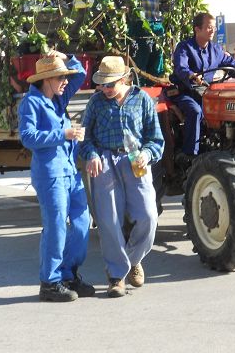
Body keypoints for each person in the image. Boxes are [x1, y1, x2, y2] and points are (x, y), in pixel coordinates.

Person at [80, 56, 164, 298]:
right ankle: (117, 277)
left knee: (148, 216)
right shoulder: (96, 102)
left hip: (135, 160)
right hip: (105, 162)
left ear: (124, 79)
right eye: (102, 84)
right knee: (109, 220)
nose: (105, 89)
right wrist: (92, 155)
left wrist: (147, 154)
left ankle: (131, 260)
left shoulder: (142, 100)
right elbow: (85, 139)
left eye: (110, 84)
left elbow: (155, 138)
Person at [18, 50, 94, 303]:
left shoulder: (59, 100)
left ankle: (69, 274)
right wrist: (64, 135)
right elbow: (27, 137)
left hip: (70, 172)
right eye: (61, 77)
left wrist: (65, 55)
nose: (65, 81)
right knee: (57, 226)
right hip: (50, 175)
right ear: (47, 78)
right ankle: (50, 282)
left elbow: (82, 73)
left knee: (83, 222)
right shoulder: (31, 103)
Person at [170, 12, 235, 162]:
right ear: (197, 29)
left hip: (206, 92)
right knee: (195, 111)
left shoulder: (215, 50)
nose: (213, 30)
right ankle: (190, 155)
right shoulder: (184, 47)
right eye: (209, 27)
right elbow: (181, 67)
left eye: (214, 27)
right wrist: (191, 75)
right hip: (186, 91)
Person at [110, 0, 165, 84]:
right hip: (157, 26)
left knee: (138, 68)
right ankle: (154, 91)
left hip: (141, 27)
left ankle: (138, 93)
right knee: (155, 65)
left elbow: (125, 7)